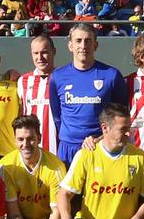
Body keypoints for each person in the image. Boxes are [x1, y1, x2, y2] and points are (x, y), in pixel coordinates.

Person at [49, 24, 130, 163]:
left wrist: (100, 139)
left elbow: (121, 115)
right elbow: (57, 115)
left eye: (88, 41)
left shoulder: (111, 75)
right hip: (68, 149)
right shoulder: (57, 76)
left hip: (99, 146)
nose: (83, 45)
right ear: (70, 46)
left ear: (96, 45)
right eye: (78, 40)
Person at [17, 36, 58, 152]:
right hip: (31, 149)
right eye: (36, 53)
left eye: (44, 52)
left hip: (58, 148)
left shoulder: (63, 78)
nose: (40, 58)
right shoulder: (23, 81)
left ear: (53, 52)